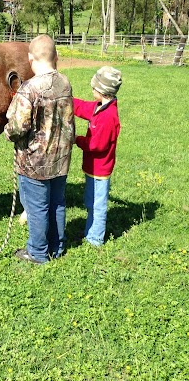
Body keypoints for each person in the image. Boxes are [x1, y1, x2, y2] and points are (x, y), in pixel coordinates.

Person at [4, 34, 75, 264]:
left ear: (30, 59)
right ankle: (57, 246)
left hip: (34, 163)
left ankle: (37, 252)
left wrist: (7, 131)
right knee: (57, 203)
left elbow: (18, 127)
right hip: (61, 159)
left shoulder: (29, 89)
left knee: (37, 208)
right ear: (56, 57)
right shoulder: (65, 82)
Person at [73, 66, 122, 246]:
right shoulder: (99, 107)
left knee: (98, 205)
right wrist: (66, 100)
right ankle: (90, 230)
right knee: (90, 201)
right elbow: (83, 107)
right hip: (92, 168)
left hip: (100, 171)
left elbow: (96, 145)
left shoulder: (108, 116)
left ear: (102, 91)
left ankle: (95, 239)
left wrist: (77, 140)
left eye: (94, 88)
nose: (92, 90)